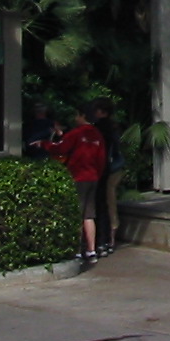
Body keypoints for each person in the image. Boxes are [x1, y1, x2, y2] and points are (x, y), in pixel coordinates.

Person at [42, 104, 107, 264]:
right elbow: (101, 158)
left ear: (82, 115)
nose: (74, 118)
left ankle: (77, 250)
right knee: (89, 215)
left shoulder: (77, 133)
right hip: (93, 177)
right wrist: (96, 174)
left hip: (78, 177)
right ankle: (91, 250)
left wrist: (44, 144)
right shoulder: (97, 134)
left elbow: (61, 148)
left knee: (77, 214)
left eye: (76, 115)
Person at [91, 98, 124, 257]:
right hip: (115, 168)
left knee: (105, 203)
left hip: (106, 169)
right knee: (109, 204)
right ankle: (109, 240)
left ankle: (104, 241)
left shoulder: (99, 128)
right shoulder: (114, 127)